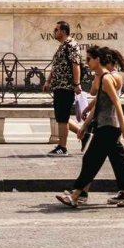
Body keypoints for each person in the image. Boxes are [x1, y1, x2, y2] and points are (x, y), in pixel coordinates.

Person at [57, 46, 124, 208]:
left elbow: (117, 102)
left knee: (91, 160)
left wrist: (123, 127)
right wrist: (85, 124)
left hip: (109, 126)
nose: (86, 63)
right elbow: (98, 102)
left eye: (88, 59)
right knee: (118, 162)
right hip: (105, 124)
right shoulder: (102, 78)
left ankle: (76, 195)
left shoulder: (107, 78)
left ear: (97, 59)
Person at [45, 21, 82, 157]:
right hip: (58, 85)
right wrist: (48, 81)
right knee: (61, 117)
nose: (54, 31)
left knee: (62, 118)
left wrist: (76, 84)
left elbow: (75, 64)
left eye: (56, 29)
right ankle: (84, 135)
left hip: (66, 86)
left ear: (63, 32)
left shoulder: (71, 45)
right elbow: (56, 67)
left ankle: (63, 147)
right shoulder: (61, 47)